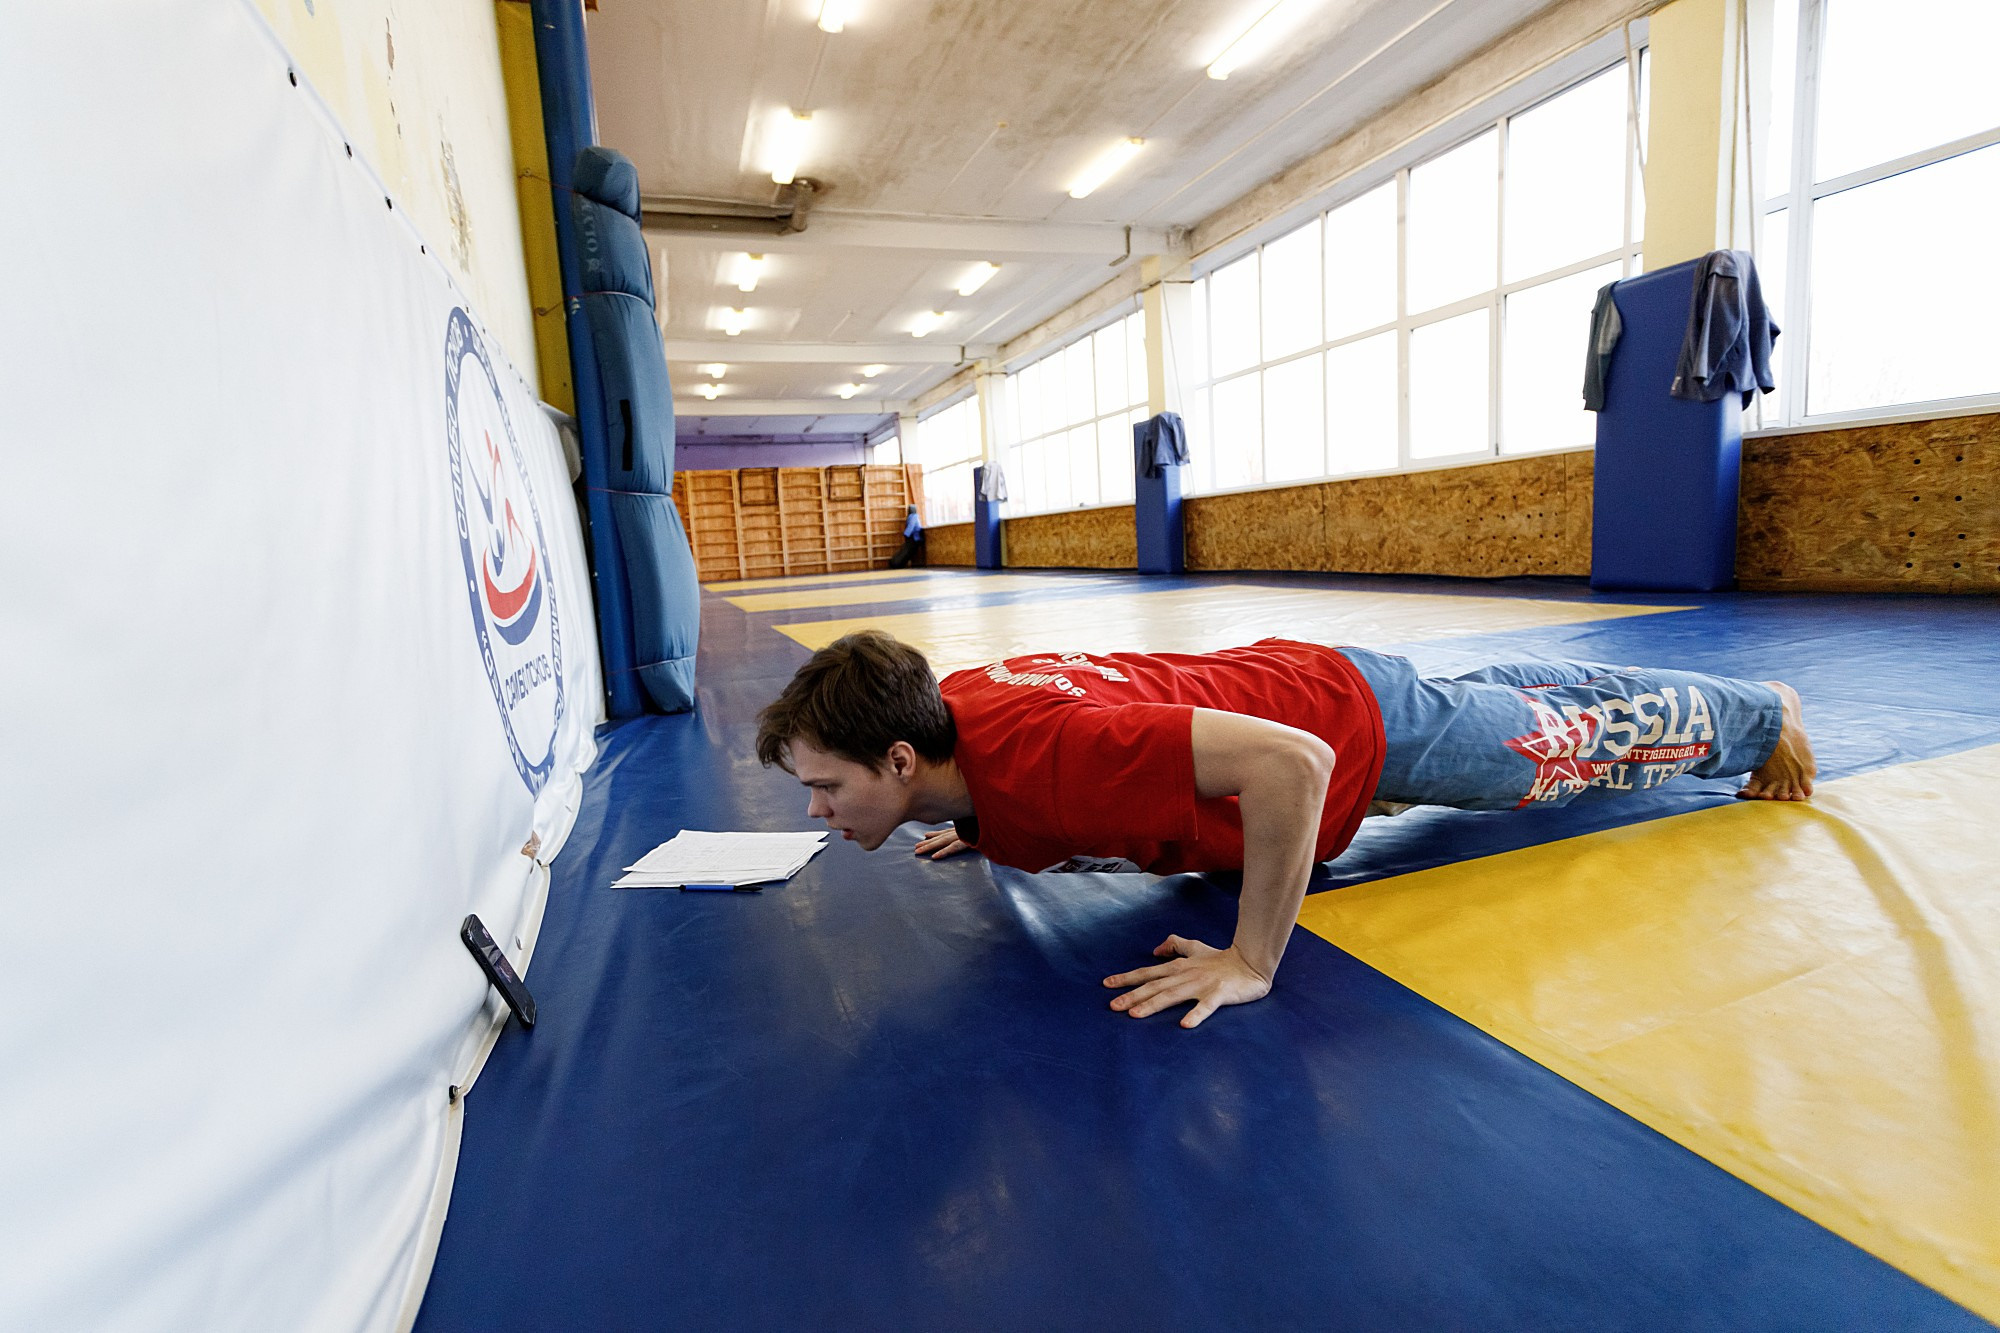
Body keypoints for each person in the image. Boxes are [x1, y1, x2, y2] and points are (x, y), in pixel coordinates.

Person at [755, 631, 1815, 1030]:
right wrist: (976, 819)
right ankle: (1523, 698)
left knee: (1562, 749)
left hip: (1347, 729)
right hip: (1298, 682)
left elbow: (1291, 766)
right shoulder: (952, 728)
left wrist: (1251, 958)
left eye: (826, 787)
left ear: (902, 758)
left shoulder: (1050, 758)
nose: (815, 810)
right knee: (1500, 703)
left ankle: (1760, 714)